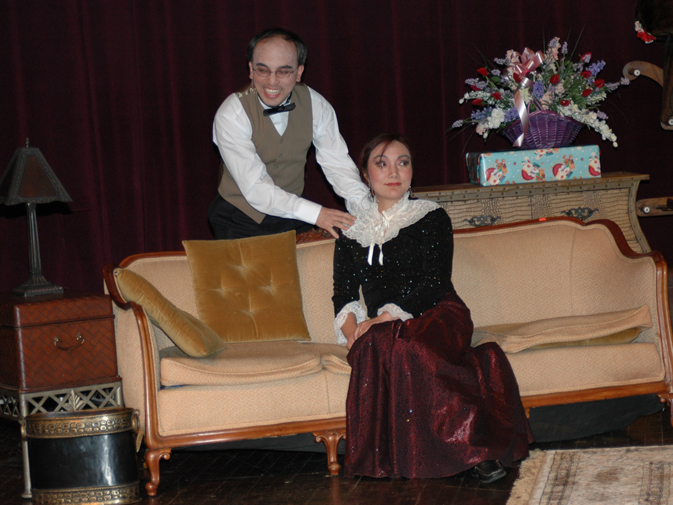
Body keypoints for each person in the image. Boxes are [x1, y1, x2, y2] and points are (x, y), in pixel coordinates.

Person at [332, 133, 532, 482]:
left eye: (403, 162)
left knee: (408, 346)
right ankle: (436, 454)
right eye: (382, 163)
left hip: (439, 311)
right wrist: (353, 334)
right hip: (385, 326)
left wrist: (383, 317)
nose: (393, 172)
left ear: (412, 170)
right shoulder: (350, 232)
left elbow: (435, 282)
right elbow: (343, 295)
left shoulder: (430, 216)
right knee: (380, 344)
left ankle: (476, 451)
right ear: (365, 174)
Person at [209, 28, 369, 240]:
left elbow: (337, 164)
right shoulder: (231, 113)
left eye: (283, 71)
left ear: (299, 72)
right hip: (238, 217)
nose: (272, 82)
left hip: (292, 215)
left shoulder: (317, 105)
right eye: (263, 70)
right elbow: (256, 188)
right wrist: (317, 214)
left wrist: (366, 211)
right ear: (250, 70)